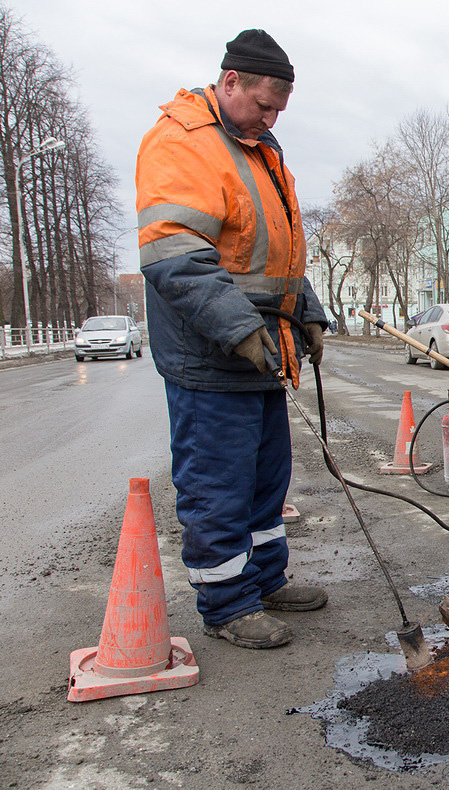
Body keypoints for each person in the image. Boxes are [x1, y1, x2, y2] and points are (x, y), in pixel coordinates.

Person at [137, 30, 329, 647]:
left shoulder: (258, 149)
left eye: (279, 109)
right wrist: (243, 330)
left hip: (260, 354)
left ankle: (264, 580)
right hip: (211, 356)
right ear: (230, 83)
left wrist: (310, 314)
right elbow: (177, 259)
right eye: (264, 105)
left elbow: (279, 255)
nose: (272, 118)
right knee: (217, 485)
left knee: (265, 481)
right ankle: (226, 604)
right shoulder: (184, 143)